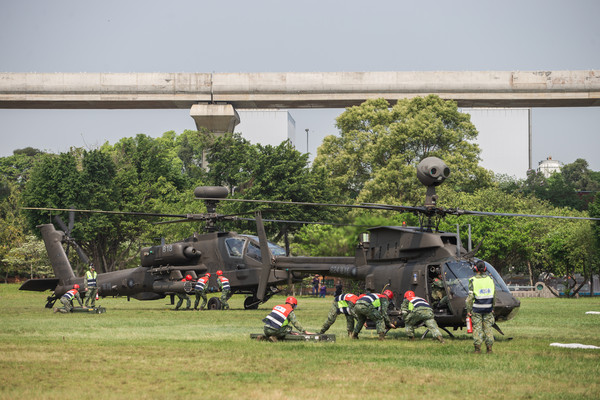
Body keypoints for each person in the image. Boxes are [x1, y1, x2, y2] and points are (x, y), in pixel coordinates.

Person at [466, 260, 496, 353]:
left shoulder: (473, 280)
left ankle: (477, 349)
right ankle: (489, 349)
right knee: (488, 328)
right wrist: (492, 308)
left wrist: (468, 310)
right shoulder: (490, 280)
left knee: (477, 328)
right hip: (488, 308)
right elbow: (494, 296)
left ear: (475, 268)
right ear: (485, 269)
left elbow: (469, 298)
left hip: (477, 308)